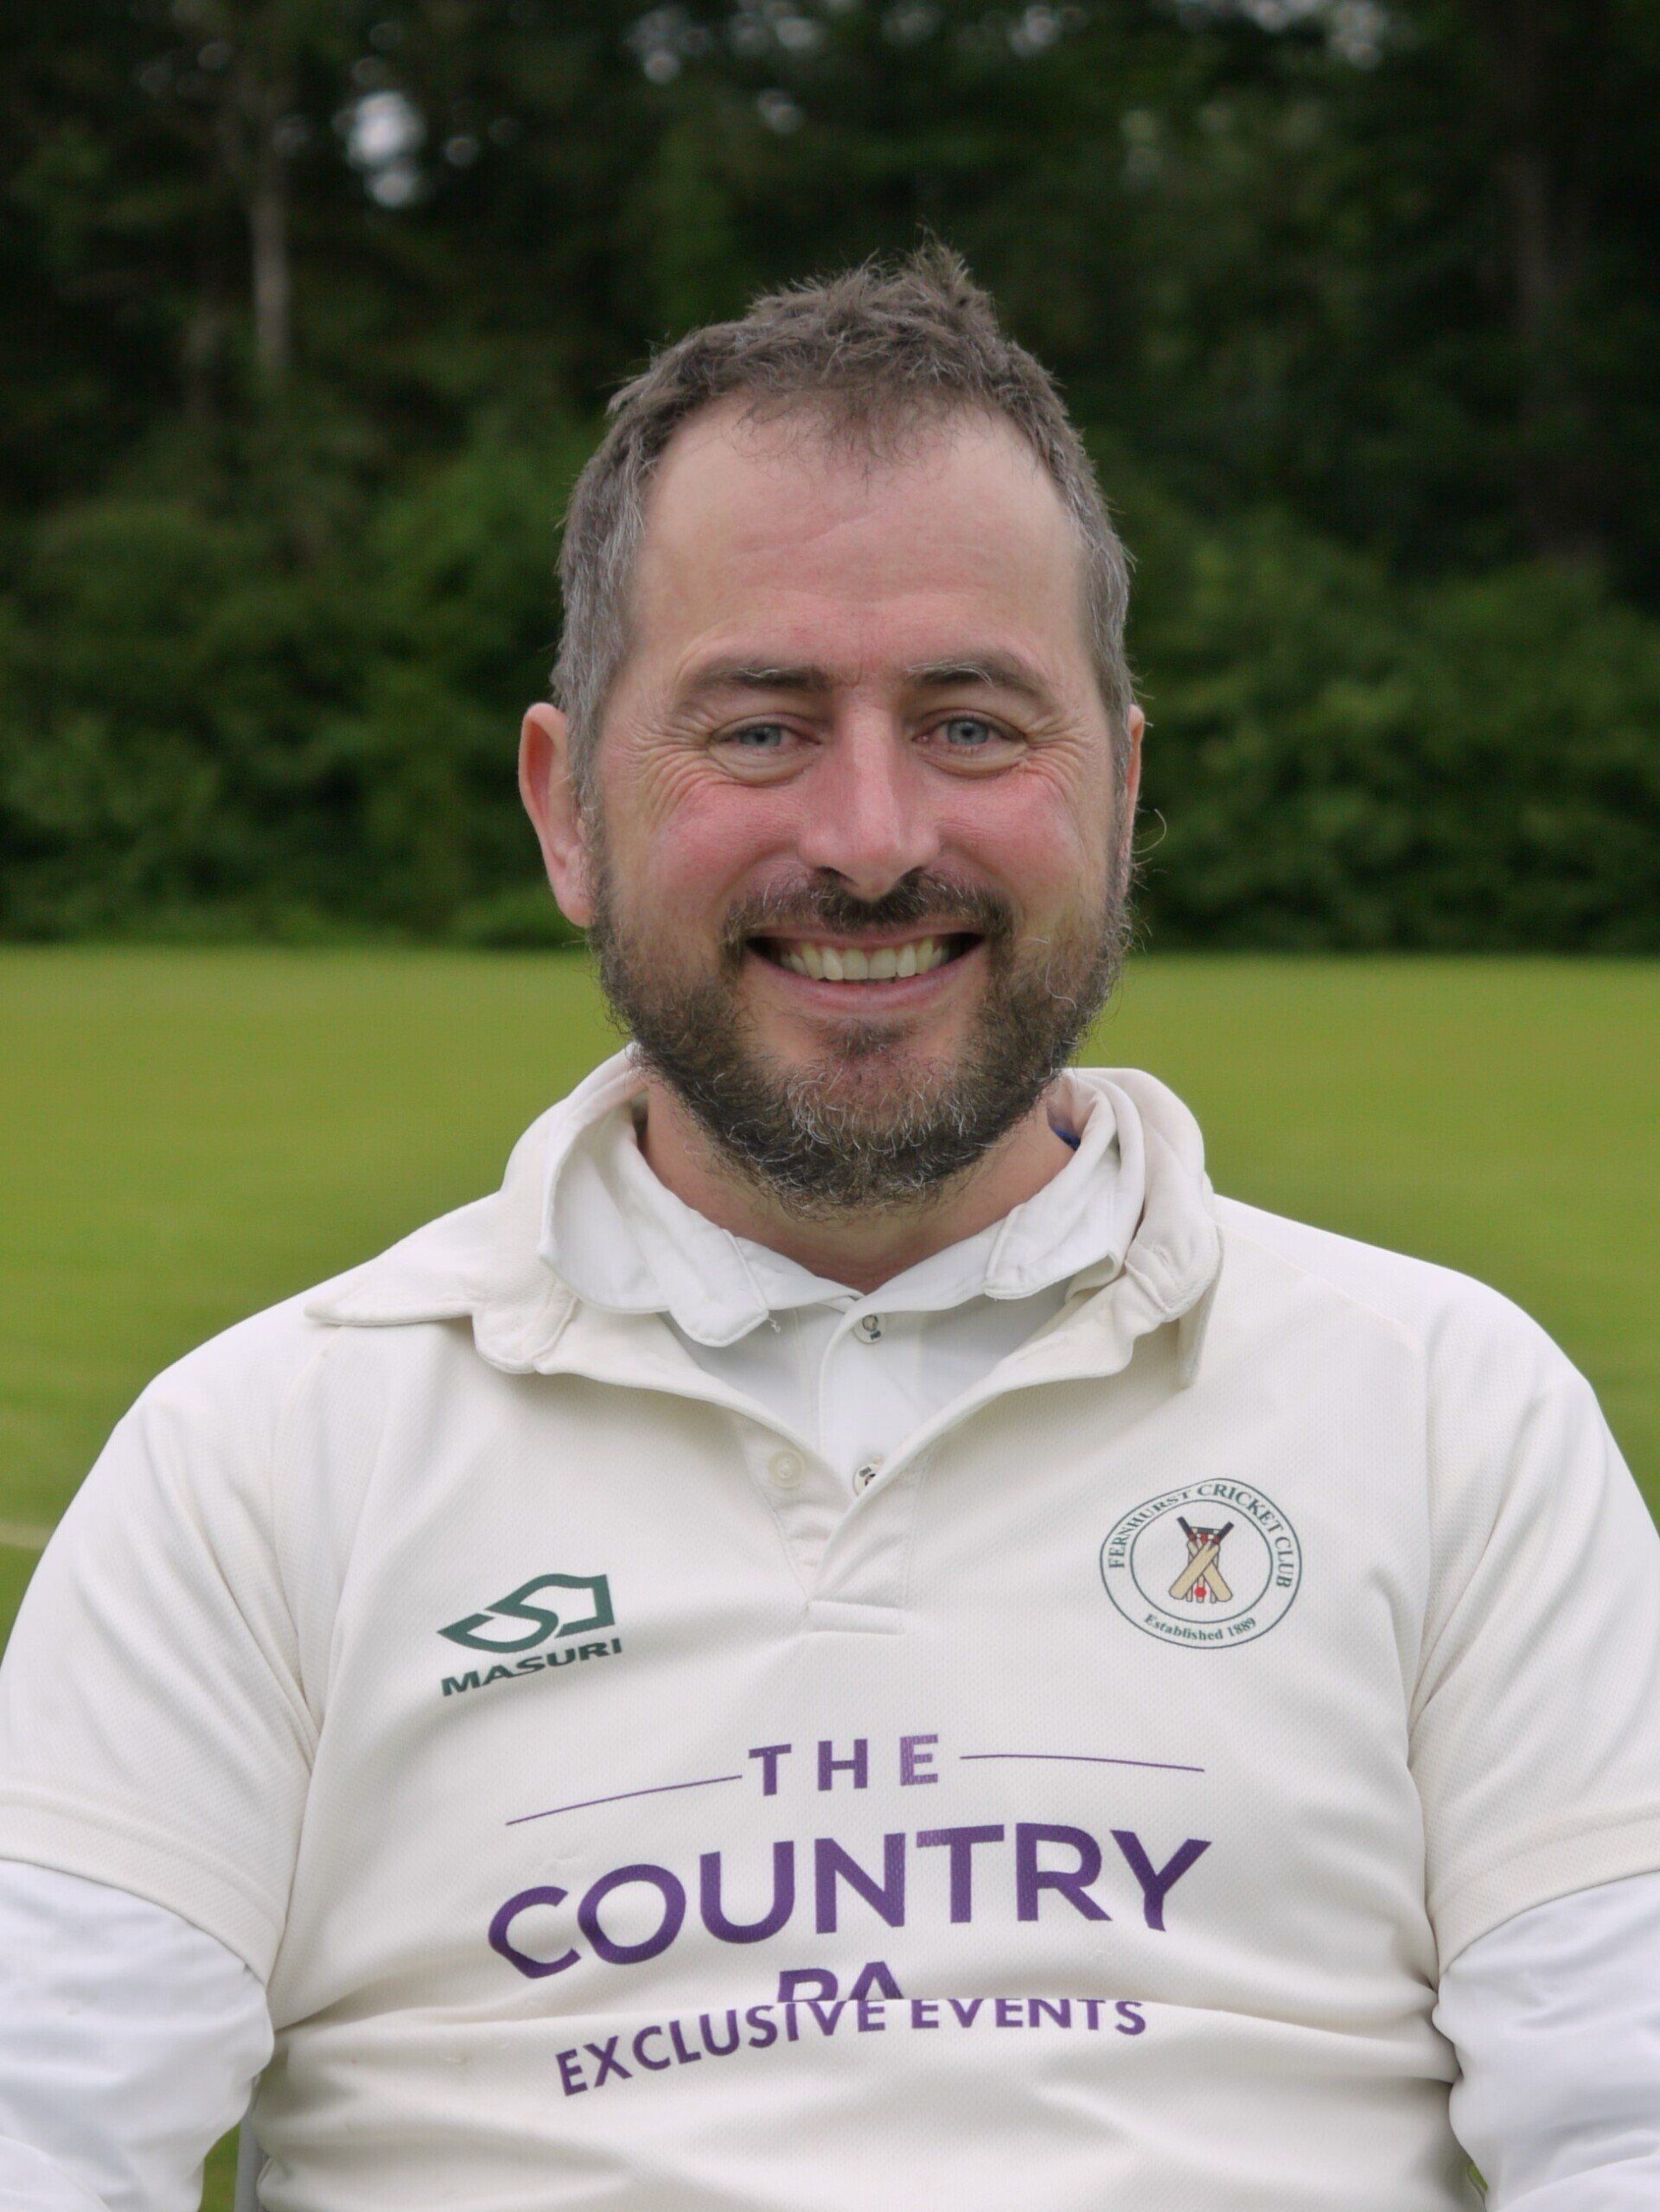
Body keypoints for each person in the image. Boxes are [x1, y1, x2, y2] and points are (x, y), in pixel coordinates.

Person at [2, 247, 1658, 2212]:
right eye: (760, 727)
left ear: (1123, 789)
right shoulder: (264, 1459)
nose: (873, 838)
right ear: (566, 808)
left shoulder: (1451, 1415)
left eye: (972, 724)